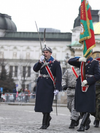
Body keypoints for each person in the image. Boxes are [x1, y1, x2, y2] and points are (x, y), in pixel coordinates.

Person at [68, 55, 100, 131]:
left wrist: (88, 81)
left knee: (87, 106)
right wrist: (78, 59)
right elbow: (70, 61)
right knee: (80, 105)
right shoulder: (82, 62)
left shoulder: (94, 62)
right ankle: (87, 121)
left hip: (89, 85)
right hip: (80, 84)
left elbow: (98, 75)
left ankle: (82, 125)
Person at [33, 46, 62, 129]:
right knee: (41, 104)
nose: (45, 54)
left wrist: (57, 88)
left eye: (46, 52)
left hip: (49, 84)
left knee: (47, 104)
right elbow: (35, 69)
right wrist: (39, 62)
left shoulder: (55, 63)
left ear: (50, 53)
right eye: (44, 52)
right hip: (41, 84)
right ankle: (48, 117)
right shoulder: (42, 61)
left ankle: (44, 123)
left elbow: (59, 76)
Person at [93, 58, 100, 127]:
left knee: (98, 105)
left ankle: (97, 120)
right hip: (93, 90)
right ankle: (96, 117)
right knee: (92, 106)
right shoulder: (94, 70)